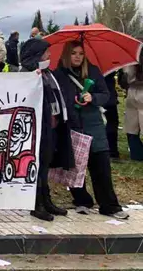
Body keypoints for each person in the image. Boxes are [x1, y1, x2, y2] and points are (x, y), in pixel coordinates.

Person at [52, 41, 128, 219]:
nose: (78, 56)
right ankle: (81, 201)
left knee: (101, 165)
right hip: (72, 125)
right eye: (73, 53)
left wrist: (92, 97)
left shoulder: (93, 71)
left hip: (94, 125)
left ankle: (109, 205)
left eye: (80, 53)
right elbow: (56, 97)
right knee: (75, 167)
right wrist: (73, 103)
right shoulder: (59, 74)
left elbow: (105, 95)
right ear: (66, 55)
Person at [19, 39, 73, 221]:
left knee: (45, 165)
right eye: (45, 53)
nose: (49, 55)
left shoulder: (48, 73)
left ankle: (46, 200)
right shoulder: (27, 74)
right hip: (37, 129)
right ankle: (37, 204)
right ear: (36, 55)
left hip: (52, 126)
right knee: (38, 166)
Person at [122, 59, 143, 161]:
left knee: (131, 128)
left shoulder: (130, 56)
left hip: (132, 90)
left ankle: (137, 155)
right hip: (134, 91)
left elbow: (125, 78)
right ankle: (137, 155)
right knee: (131, 127)